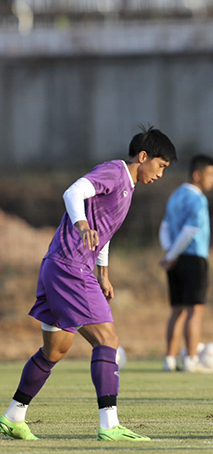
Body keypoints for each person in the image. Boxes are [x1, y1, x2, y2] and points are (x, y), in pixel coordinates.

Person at [0, 126, 177, 441]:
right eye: (161, 166)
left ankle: (13, 416)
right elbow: (73, 192)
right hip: (70, 268)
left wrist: (103, 272)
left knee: (55, 350)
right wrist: (81, 225)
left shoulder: (128, 188)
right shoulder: (115, 172)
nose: (161, 174)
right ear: (144, 156)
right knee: (107, 340)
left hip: (60, 266)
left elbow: (103, 231)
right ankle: (109, 425)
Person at [159, 155, 213, 372]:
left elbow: (164, 226)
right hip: (193, 257)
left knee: (177, 310)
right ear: (197, 174)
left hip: (174, 259)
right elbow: (191, 230)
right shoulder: (198, 198)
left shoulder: (175, 195)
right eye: (211, 174)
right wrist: (173, 253)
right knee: (195, 310)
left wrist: (168, 253)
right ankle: (191, 359)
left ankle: (169, 359)